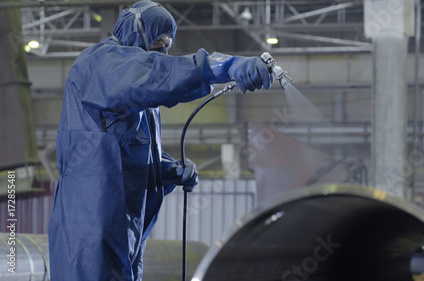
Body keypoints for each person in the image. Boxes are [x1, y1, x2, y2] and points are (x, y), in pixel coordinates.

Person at [48, 1, 272, 280]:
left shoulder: (137, 91)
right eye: (157, 44)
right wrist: (223, 65)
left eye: (167, 45)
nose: (162, 52)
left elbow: (123, 153)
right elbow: (153, 73)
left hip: (123, 228)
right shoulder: (100, 64)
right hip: (89, 231)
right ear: (134, 30)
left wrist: (165, 170)